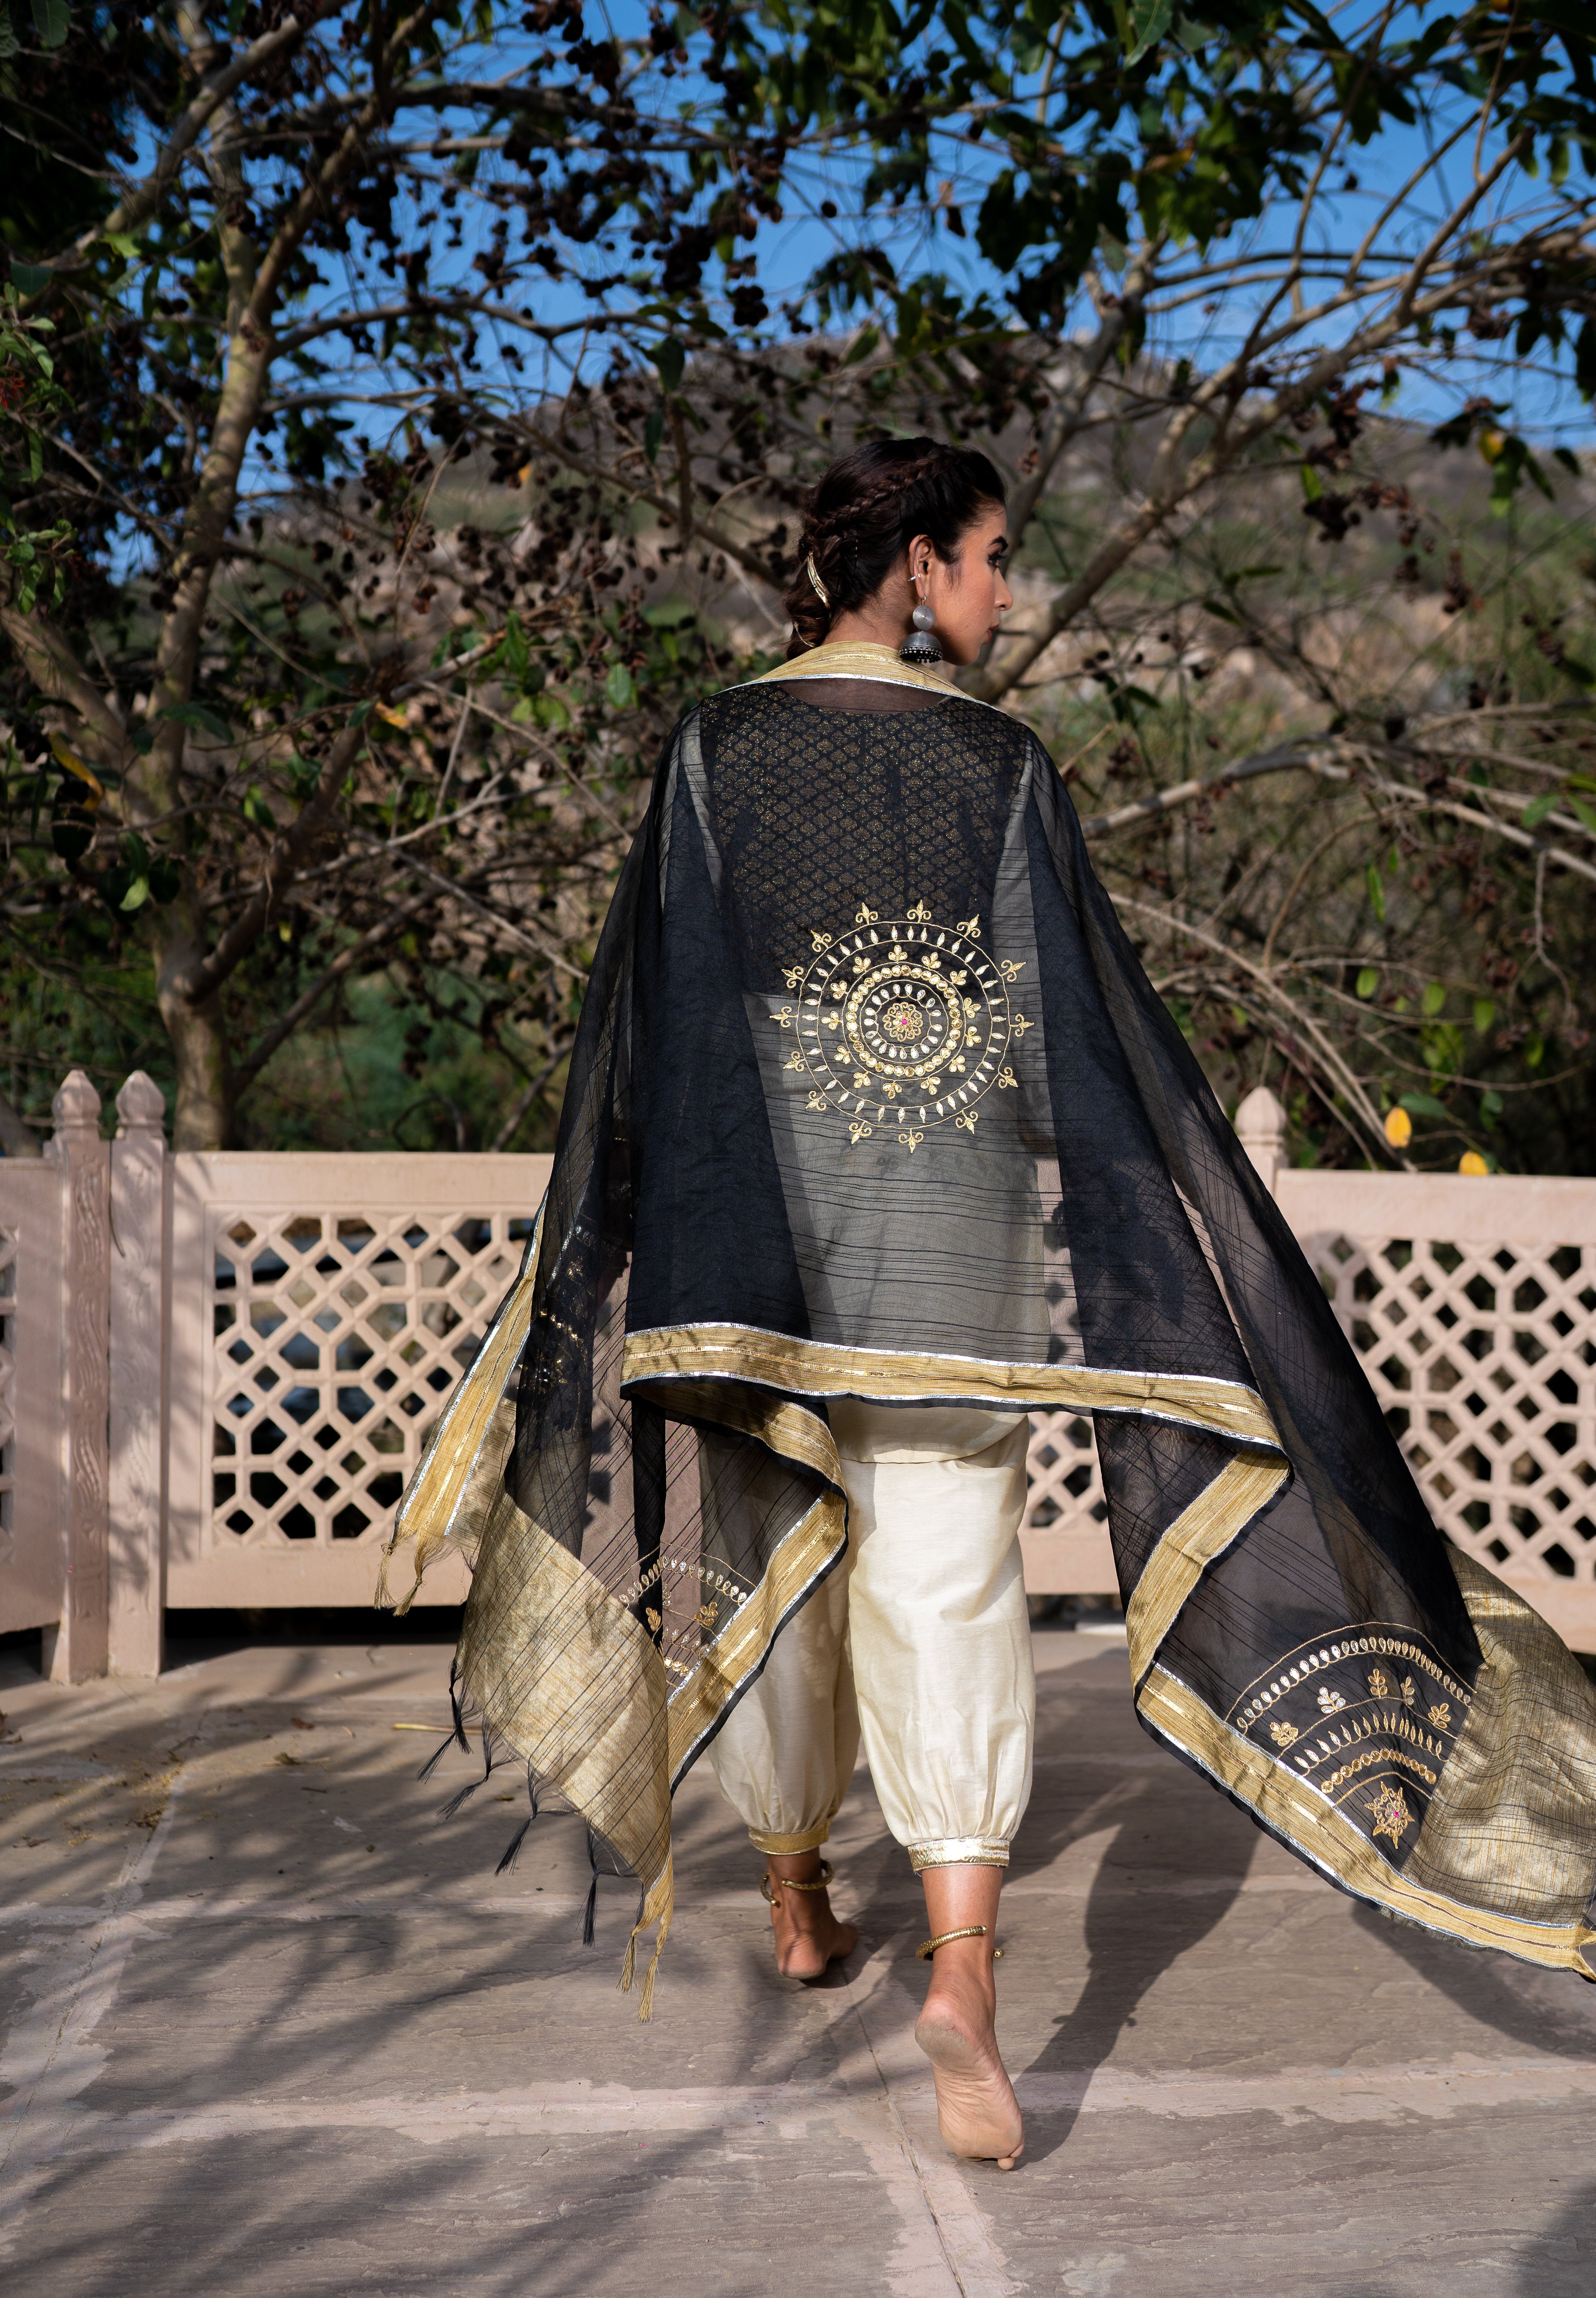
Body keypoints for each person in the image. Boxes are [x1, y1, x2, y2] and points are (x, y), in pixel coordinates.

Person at [386, 436, 1596, 2179]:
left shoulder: (714, 751)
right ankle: (963, 1969)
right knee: (948, 1573)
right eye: (994, 555)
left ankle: (797, 1895)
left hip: (760, 1223)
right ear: (919, 565)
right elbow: (1061, 1029)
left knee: (774, 1546)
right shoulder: (1002, 764)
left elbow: (664, 1015)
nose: (1005, 590)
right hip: (947, 1226)